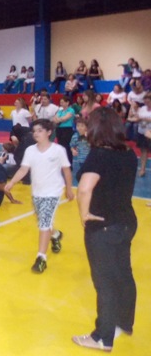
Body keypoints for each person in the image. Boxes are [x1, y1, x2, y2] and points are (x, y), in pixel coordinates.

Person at [71, 107, 138, 352]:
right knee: (123, 273)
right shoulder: (129, 154)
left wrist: (84, 214)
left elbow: (85, 188)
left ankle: (102, 337)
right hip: (126, 221)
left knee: (104, 281)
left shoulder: (99, 154)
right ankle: (124, 322)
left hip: (104, 226)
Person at [5, 119, 74, 273]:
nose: (36, 133)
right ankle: (55, 235)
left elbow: (66, 170)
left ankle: (41, 258)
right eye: (34, 131)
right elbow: (23, 169)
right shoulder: (30, 150)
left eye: (40, 130)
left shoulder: (58, 150)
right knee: (43, 221)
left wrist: (69, 189)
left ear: (49, 132)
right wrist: (12, 182)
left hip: (53, 192)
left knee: (44, 223)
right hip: (37, 192)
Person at [135, 93, 151, 177]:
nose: (146, 103)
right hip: (142, 132)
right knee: (143, 151)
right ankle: (142, 169)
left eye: (148, 102)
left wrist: (145, 119)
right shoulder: (142, 109)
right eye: (145, 102)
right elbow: (137, 118)